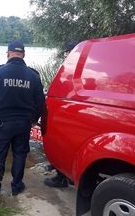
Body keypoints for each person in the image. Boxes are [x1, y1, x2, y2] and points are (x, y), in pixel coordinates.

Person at [0, 40, 45, 196]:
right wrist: (34, 119)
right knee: (20, 154)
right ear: (23, 54)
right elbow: (40, 102)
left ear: (8, 53)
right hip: (23, 123)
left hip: (2, 123)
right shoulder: (33, 75)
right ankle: (16, 187)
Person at [43, 40, 79, 188]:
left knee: (61, 144)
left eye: (67, 52)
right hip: (77, 113)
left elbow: (63, 87)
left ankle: (61, 177)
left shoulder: (71, 66)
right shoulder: (86, 65)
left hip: (66, 113)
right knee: (73, 146)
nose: (66, 55)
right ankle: (71, 175)